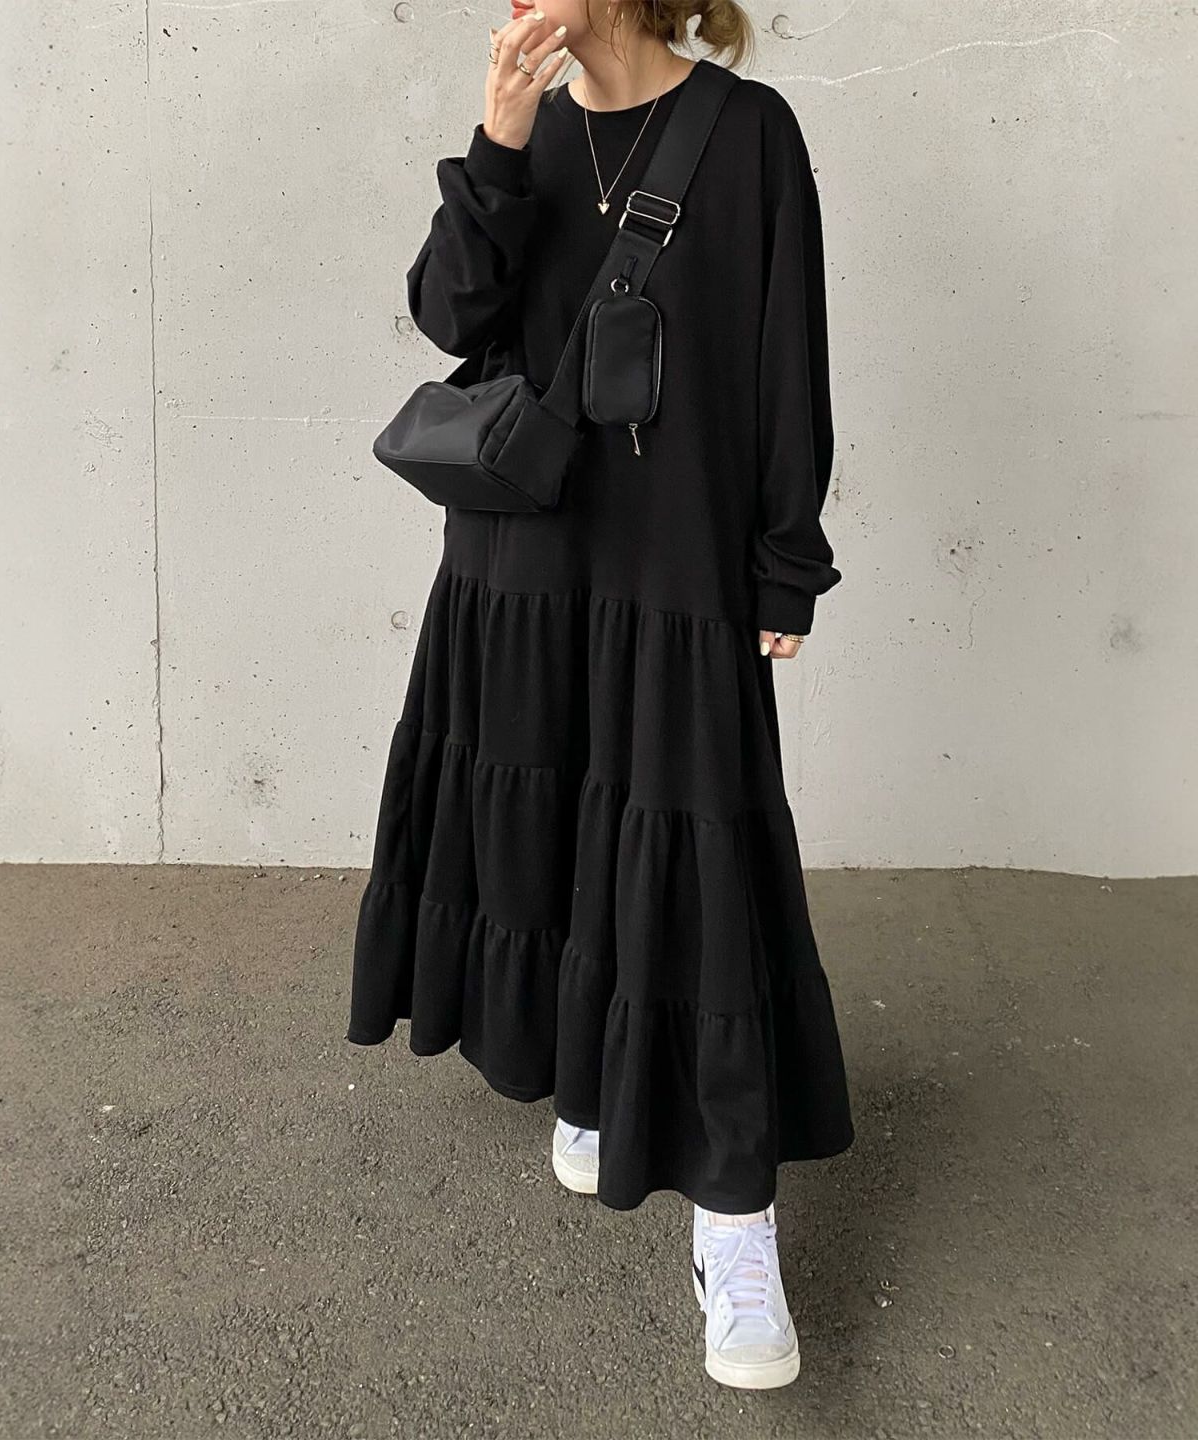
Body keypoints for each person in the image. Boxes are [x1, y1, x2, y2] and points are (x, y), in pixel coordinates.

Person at [347, 0, 855, 1391]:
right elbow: (451, 317)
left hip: (672, 568)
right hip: (518, 562)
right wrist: (496, 145)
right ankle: (593, 1075)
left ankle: (735, 1226)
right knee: (558, 834)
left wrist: (784, 562)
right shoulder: (528, 135)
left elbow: (787, 360)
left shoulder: (748, 132)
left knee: (695, 882)